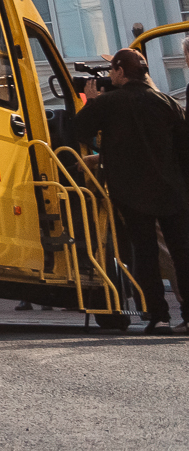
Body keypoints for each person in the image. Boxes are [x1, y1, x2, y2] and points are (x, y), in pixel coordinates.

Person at [71, 47, 189, 333]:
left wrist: (92, 101)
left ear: (121, 71)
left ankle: (157, 316)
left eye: (112, 70)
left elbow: (76, 130)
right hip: (172, 192)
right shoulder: (167, 103)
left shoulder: (110, 103)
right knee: (183, 254)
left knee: (144, 254)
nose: (110, 76)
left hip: (132, 192)